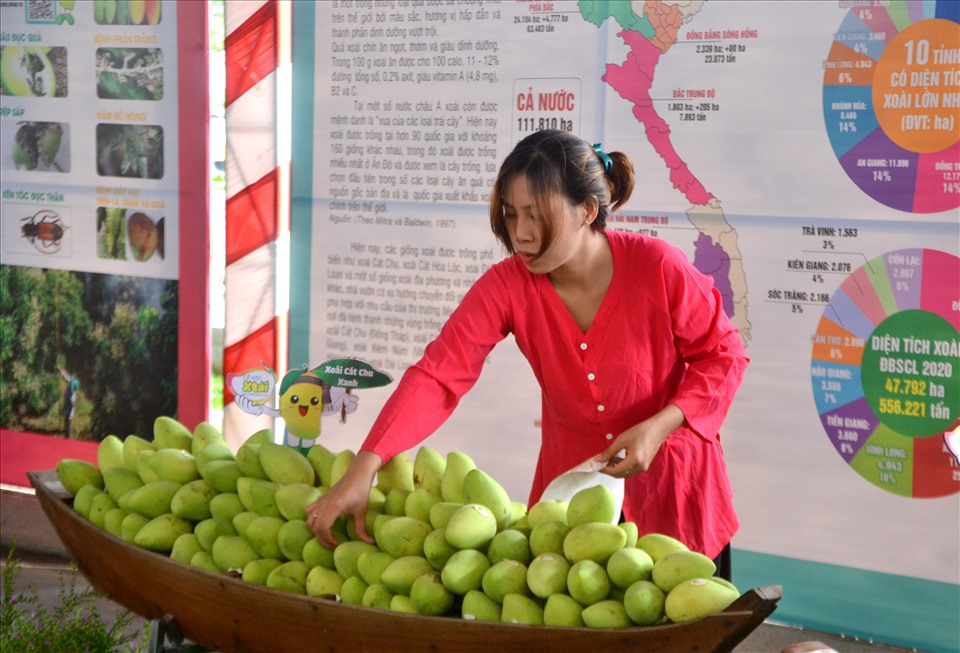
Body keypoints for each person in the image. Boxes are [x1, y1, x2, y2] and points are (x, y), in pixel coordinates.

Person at [307, 129, 748, 580]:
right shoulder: (508, 285)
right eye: (512, 214)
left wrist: (658, 427)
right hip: (571, 503)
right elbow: (439, 375)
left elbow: (724, 356)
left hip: (677, 495)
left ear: (587, 210)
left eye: (536, 216)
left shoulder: (658, 266)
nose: (520, 233)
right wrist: (366, 464)